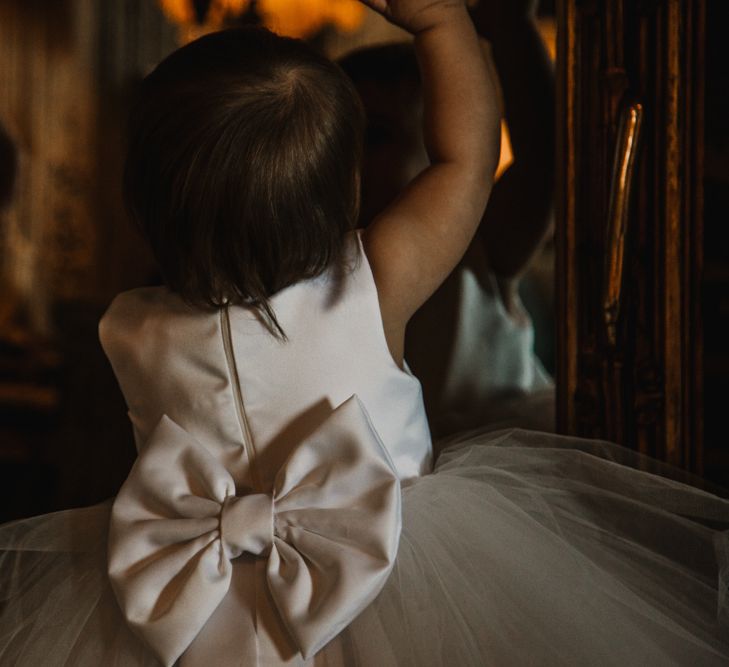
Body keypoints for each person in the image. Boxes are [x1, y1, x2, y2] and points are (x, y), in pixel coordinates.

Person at [0, 1, 728, 665]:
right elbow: (464, 163)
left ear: (140, 206)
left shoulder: (129, 328)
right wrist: (438, 23)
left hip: (191, 625)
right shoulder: (370, 280)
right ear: (346, 190)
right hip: (398, 592)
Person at [340, 0, 556, 440]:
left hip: (499, 458)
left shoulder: (474, 246)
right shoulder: (321, 260)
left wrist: (513, 30)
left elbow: (543, 162)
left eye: (376, 135)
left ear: (443, 147)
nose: (350, 161)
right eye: (338, 140)